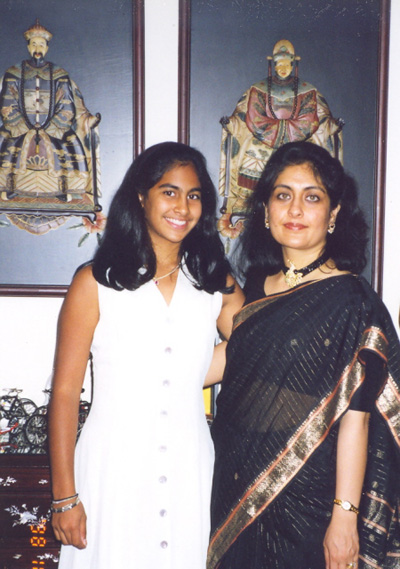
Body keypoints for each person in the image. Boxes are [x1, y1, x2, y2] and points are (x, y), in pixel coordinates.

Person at [48, 141, 244, 569]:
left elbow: (253, 348)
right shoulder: (95, 282)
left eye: (194, 195)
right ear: (141, 197)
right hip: (114, 466)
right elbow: (64, 393)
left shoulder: (213, 282)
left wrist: (189, 372)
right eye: (169, 191)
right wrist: (64, 497)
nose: (183, 207)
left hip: (190, 465)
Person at [208, 141, 400, 569]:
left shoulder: (351, 301)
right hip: (235, 481)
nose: (295, 209)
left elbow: (356, 419)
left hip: (310, 494)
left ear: (333, 214)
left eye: (312, 197)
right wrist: (147, 367)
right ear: (265, 210)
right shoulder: (257, 288)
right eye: (283, 195)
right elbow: (234, 360)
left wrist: (345, 517)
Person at [218, 39, 343, 240]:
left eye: (287, 64)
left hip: (301, 141)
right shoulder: (258, 89)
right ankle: (247, 202)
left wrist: (332, 126)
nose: (283, 69)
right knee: (252, 156)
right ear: (273, 64)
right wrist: (232, 123)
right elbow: (251, 117)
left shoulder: (307, 90)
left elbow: (313, 120)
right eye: (279, 64)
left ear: (293, 64)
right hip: (264, 138)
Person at [0, 19, 100, 204]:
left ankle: (64, 189)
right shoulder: (14, 73)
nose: (37, 48)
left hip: (54, 126)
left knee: (69, 144)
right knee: (7, 143)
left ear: (46, 47)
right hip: (19, 126)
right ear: (28, 46)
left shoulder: (59, 74)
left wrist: (54, 127)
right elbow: (8, 103)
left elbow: (66, 104)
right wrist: (21, 126)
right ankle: (9, 187)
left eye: (41, 44)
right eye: (34, 44)